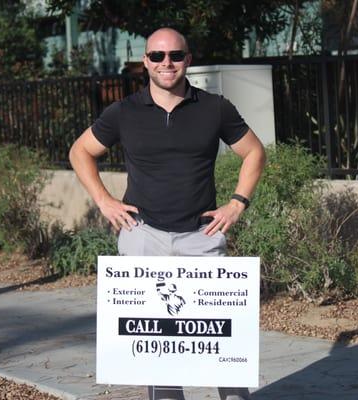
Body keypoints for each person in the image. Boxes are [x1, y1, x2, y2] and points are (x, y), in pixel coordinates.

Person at [69, 27, 266, 400]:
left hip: (201, 237)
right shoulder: (124, 112)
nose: (166, 63)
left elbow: (255, 153)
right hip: (143, 235)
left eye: (175, 55)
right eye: (157, 56)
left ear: (188, 60)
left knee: (222, 344)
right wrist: (104, 200)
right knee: (156, 348)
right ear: (145, 62)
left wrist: (238, 202)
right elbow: (80, 152)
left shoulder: (214, 108)